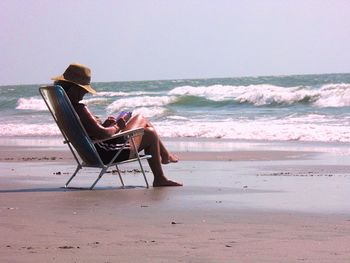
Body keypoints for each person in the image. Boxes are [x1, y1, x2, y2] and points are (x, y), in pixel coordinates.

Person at [52, 63, 182, 187]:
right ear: (75, 88)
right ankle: (160, 173)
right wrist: (118, 126)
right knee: (149, 131)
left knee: (142, 121)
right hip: (107, 153)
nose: (85, 93)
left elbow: (91, 132)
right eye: (83, 89)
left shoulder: (63, 109)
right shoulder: (79, 109)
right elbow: (103, 134)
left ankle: (165, 157)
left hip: (92, 153)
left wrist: (105, 124)